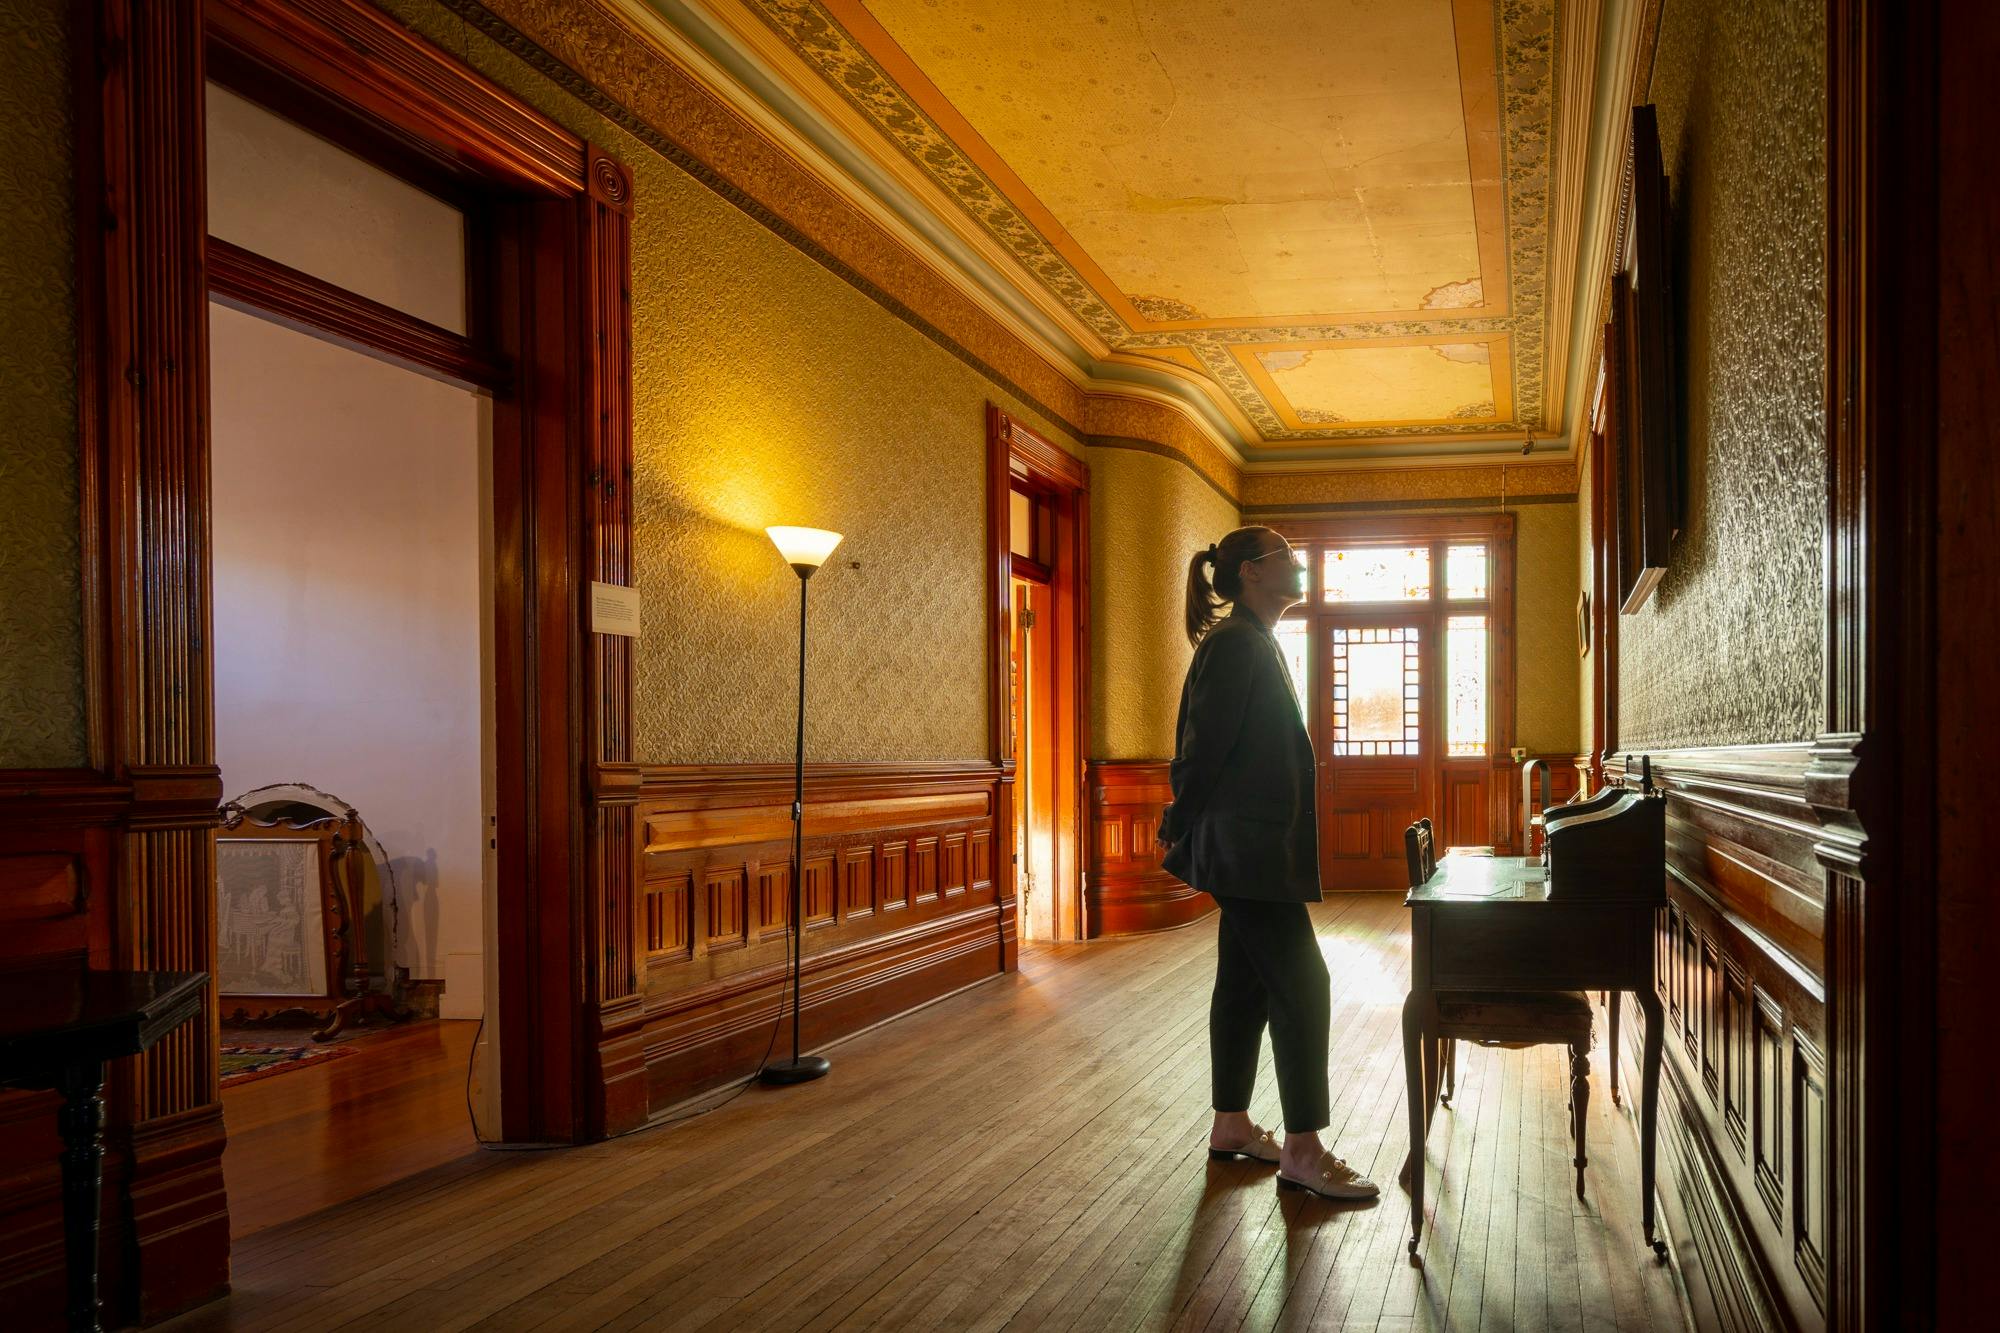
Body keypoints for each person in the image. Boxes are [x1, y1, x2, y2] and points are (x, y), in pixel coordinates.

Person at [1155, 526, 1379, 1202]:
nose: (1299, 563)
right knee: (1304, 982)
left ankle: (1231, 1125)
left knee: (1246, 982)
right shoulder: (1233, 644)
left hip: (1253, 847)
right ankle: (1304, 1153)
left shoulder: (1253, 640)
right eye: (1286, 555)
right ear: (1253, 572)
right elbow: (1202, 750)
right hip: (1242, 849)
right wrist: (1177, 821)